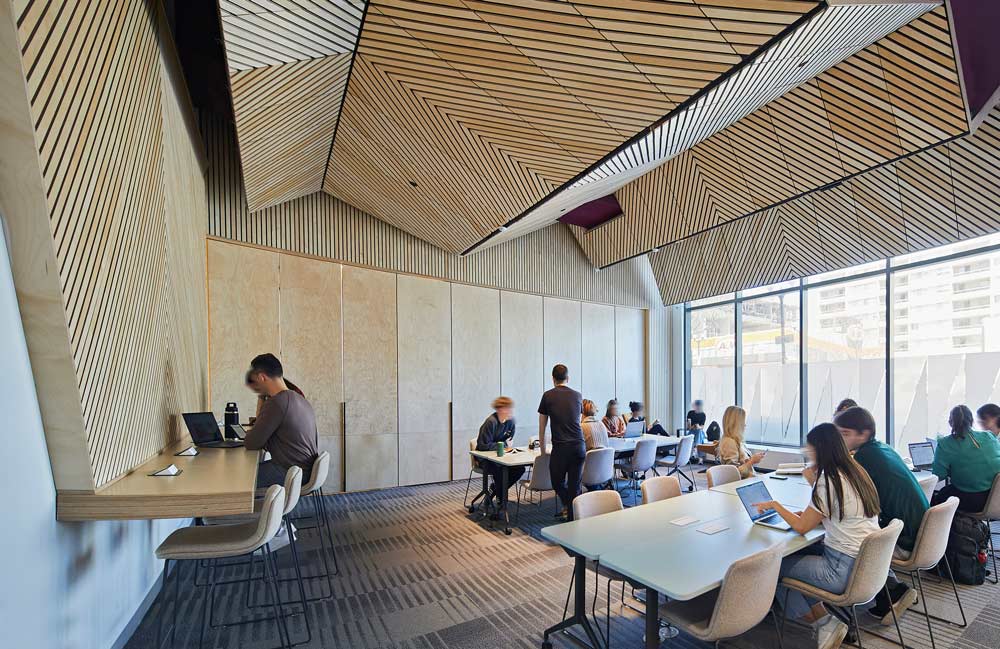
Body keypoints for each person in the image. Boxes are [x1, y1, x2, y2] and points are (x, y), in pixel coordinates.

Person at [753, 424, 883, 649]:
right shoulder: (855, 471)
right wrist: (804, 512)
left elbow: (803, 528)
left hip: (841, 568)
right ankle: (827, 622)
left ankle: (824, 623)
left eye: (810, 448)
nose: (807, 452)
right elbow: (830, 512)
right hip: (865, 563)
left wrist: (775, 506)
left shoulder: (829, 480)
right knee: (801, 559)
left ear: (820, 450)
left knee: (774, 570)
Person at [834, 406, 921, 623]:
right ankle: (893, 590)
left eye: (845, 434)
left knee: (847, 539)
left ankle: (889, 593)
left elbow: (841, 500)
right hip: (917, 530)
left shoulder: (865, 458)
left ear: (863, 434)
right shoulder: (882, 449)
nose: (839, 439)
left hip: (904, 537)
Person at [244, 354, 319, 488]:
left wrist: (248, 433)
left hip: (290, 472)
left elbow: (252, 443)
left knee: (240, 476)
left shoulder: (277, 402)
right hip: (304, 470)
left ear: (262, 377)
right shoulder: (298, 397)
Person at [930, 405, 1000, 512]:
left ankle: (951, 528)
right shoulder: (990, 436)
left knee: (938, 496)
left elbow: (938, 475)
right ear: (972, 421)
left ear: (950, 422)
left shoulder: (945, 444)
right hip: (994, 499)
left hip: (971, 501)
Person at [539, 364, 585, 521]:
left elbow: (542, 426)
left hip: (561, 447)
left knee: (557, 482)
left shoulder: (547, 396)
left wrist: (543, 450)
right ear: (568, 378)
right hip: (579, 445)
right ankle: (573, 517)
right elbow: (577, 421)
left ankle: (569, 508)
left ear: (553, 379)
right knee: (575, 485)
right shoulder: (578, 396)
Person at [476, 396, 524, 509]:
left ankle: (496, 489)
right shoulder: (491, 422)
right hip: (485, 459)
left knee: (519, 469)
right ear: (499, 409)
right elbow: (482, 446)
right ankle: (501, 499)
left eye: (510, 408)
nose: (509, 411)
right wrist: (501, 446)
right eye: (506, 408)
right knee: (500, 470)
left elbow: (509, 442)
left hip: (502, 458)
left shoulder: (511, 422)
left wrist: (505, 447)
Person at [716, 405, 764, 479]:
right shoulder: (729, 442)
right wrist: (752, 461)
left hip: (747, 480)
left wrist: (751, 460)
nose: (744, 425)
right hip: (740, 484)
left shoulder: (736, 441)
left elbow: (742, 464)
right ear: (735, 423)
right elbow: (734, 473)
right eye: (742, 422)